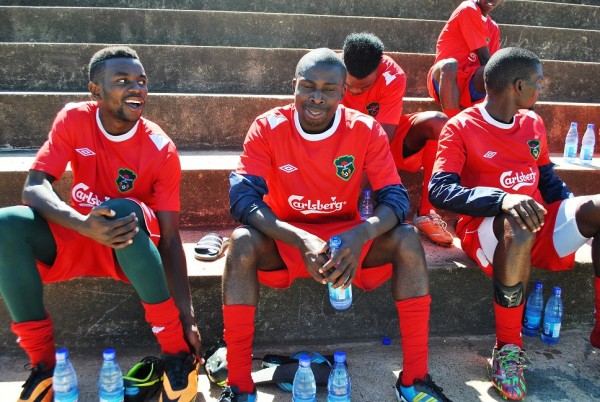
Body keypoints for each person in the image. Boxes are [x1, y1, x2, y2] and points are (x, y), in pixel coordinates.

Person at [218, 48, 451, 402]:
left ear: (344, 93)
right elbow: (242, 200)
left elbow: (397, 200)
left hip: (348, 238)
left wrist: (361, 234)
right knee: (241, 241)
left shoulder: (365, 129)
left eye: (329, 89)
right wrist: (300, 239)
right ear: (293, 86)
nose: (316, 97)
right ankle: (239, 385)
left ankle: (414, 379)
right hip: (287, 238)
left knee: (407, 237)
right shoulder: (268, 126)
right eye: (308, 86)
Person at [0, 46, 201, 402]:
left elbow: (170, 239)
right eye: (122, 81)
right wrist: (80, 224)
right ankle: (44, 367)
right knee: (6, 223)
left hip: (133, 250)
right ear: (96, 91)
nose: (136, 88)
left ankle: (176, 354)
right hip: (80, 234)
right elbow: (34, 186)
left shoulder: (160, 148)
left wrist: (187, 316)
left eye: (141, 81)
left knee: (119, 209)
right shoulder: (74, 119)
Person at [429, 47, 600, 400]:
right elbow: (439, 190)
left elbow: (547, 179)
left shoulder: (532, 122)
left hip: (536, 219)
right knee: (516, 223)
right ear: (518, 86)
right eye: (537, 82)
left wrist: (574, 218)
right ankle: (507, 349)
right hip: (486, 228)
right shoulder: (460, 127)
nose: (541, 89)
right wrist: (503, 199)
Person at [341, 32, 452, 247]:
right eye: (349, 85)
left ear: (379, 67)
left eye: (363, 87)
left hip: (384, 141)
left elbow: (384, 136)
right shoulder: (330, 68)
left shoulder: (393, 74)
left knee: (439, 123)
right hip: (342, 144)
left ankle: (427, 211)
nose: (355, 91)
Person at [427, 0, 502, 118]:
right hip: (445, 80)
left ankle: (496, 122)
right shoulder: (468, 8)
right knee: (450, 65)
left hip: (470, 83)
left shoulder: (493, 28)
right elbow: (484, 56)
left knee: (495, 71)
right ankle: (452, 124)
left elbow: (492, 64)